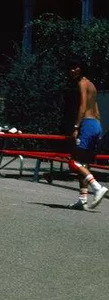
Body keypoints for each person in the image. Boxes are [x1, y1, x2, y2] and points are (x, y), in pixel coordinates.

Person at [67, 58, 108, 210]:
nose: (71, 71)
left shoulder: (81, 84)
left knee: (74, 162)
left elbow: (83, 106)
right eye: (70, 68)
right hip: (96, 125)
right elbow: (95, 109)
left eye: (74, 67)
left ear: (80, 69)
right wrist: (97, 129)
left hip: (87, 124)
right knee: (84, 164)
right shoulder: (92, 85)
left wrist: (76, 126)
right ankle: (82, 199)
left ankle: (97, 187)